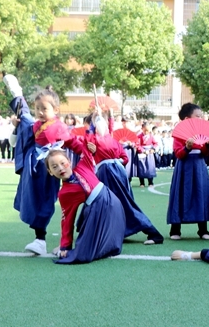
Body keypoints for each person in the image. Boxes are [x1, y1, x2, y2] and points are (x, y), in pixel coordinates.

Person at [4, 76, 71, 255]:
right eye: (38, 108)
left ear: (56, 110)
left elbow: (72, 143)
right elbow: (24, 121)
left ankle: (49, 240)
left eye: (45, 109)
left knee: (46, 201)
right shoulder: (35, 125)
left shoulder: (59, 126)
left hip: (51, 168)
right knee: (32, 198)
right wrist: (15, 127)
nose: (40, 112)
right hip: (35, 166)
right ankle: (17, 94)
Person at [86, 111, 164, 245]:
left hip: (108, 174)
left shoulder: (95, 140)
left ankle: (150, 232)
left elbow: (88, 140)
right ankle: (117, 231)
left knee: (115, 203)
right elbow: (125, 159)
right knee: (118, 203)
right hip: (117, 174)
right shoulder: (112, 141)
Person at [44, 144, 125, 264]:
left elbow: (85, 145)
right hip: (98, 210)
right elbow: (67, 221)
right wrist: (65, 246)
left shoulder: (83, 164)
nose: (60, 168)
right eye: (54, 167)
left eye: (63, 163)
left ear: (69, 161)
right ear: (50, 172)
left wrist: (92, 147)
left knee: (93, 248)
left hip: (113, 204)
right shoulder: (64, 193)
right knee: (83, 254)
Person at [167, 103, 209, 240]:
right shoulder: (179, 134)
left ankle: (203, 230)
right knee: (180, 195)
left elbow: (205, 152)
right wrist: (187, 148)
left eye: (201, 117)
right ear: (186, 118)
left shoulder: (203, 132)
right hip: (184, 167)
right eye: (197, 116)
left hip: (199, 165)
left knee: (201, 194)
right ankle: (175, 230)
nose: (200, 119)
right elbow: (178, 154)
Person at [136, 123, 158, 187]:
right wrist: (143, 150)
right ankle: (142, 182)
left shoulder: (151, 136)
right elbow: (137, 145)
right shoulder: (139, 136)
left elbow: (156, 143)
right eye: (145, 130)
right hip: (142, 153)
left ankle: (150, 182)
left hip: (149, 153)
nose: (146, 132)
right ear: (142, 129)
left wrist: (153, 149)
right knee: (141, 168)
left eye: (148, 130)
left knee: (150, 167)